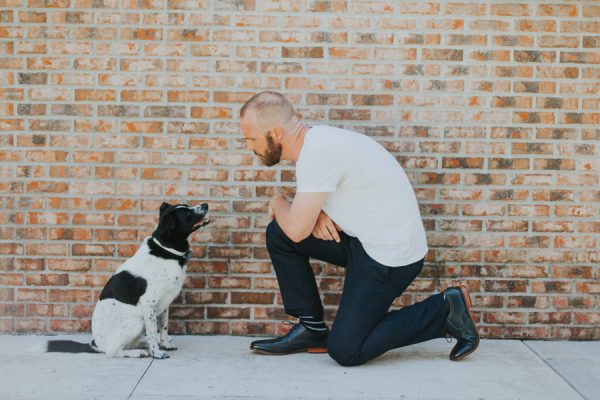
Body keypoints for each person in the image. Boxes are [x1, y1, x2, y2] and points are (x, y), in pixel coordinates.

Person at [238, 91, 479, 366]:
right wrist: (317, 214)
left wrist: (278, 200)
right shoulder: (319, 141)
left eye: (251, 138)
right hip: (365, 241)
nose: (249, 147)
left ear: (277, 133)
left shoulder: (318, 153)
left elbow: (296, 230)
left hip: (390, 258)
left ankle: (445, 310)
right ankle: (311, 329)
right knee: (278, 233)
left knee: (346, 351)